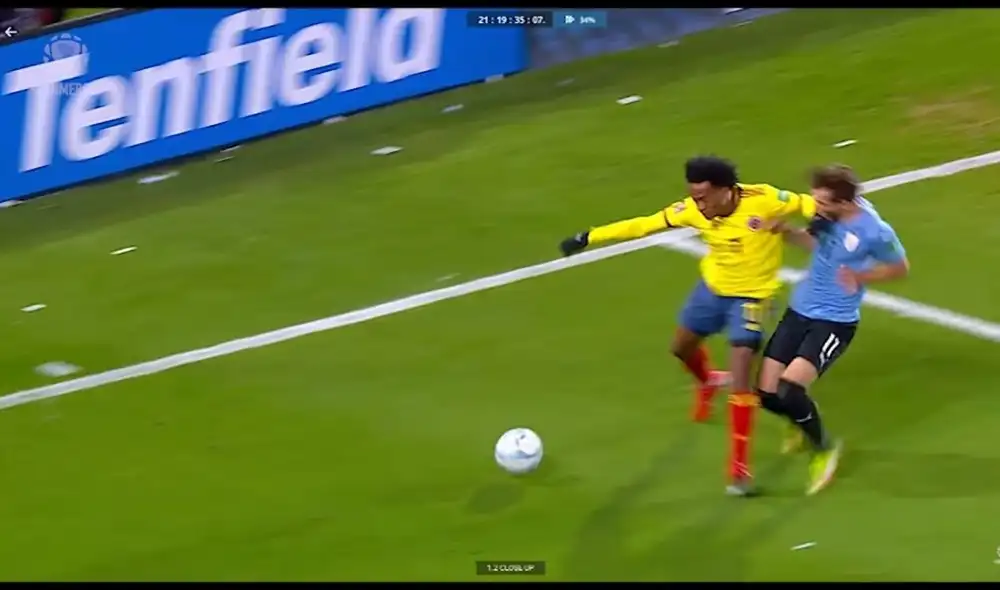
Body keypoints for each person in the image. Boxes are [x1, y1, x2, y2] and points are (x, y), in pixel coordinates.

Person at [559, 156, 816, 494]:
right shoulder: (693, 210)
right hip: (711, 291)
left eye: (704, 197)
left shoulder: (766, 200)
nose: (699, 205)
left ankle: (738, 469)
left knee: (741, 370)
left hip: (752, 298)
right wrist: (588, 237)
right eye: (694, 197)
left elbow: (815, 206)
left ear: (726, 191)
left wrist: (843, 227)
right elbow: (644, 224)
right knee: (680, 348)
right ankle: (707, 381)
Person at [757, 164, 909, 496]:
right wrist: (784, 231)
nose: (816, 207)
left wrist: (862, 278)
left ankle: (824, 450)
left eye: (822, 202)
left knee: (791, 389)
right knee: (766, 395)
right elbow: (815, 245)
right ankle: (799, 422)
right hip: (800, 309)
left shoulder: (875, 232)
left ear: (843, 202)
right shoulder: (826, 216)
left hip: (834, 321)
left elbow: (900, 268)